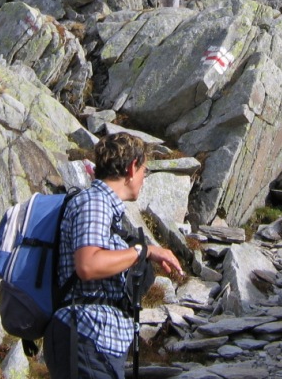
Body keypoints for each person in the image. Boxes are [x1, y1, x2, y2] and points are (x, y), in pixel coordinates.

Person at [44, 133, 184, 379]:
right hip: (86, 335)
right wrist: (141, 251)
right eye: (144, 171)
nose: (143, 179)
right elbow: (88, 265)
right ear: (132, 167)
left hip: (95, 343)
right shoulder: (95, 203)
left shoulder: (104, 208)